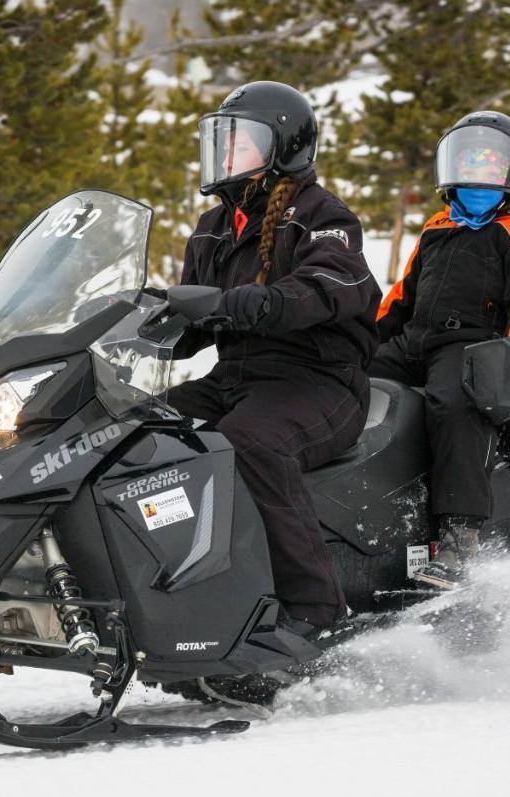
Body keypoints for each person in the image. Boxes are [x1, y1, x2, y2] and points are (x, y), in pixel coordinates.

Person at [168, 81, 380, 633]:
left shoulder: (321, 214)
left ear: (284, 146)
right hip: (237, 379)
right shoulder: (216, 226)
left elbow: (333, 284)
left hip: (320, 383)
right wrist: (132, 322)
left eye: (241, 143)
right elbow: (191, 311)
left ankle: (316, 610)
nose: (226, 155)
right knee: (139, 433)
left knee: (253, 444)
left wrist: (258, 303)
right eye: (222, 142)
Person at [368, 110, 510, 588]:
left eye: (490, 165)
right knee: (344, 381)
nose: (478, 174)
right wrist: (363, 338)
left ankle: (461, 534)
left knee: (455, 403)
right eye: (469, 163)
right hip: (414, 341)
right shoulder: (438, 226)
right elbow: (403, 294)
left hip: (474, 347)